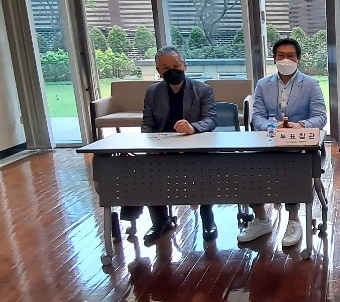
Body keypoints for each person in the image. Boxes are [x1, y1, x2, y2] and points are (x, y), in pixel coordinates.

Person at [125, 46, 218, 246]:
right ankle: (160, 221)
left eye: (176, 66)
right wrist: (148, 144)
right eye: (166, 68)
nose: (172, 71)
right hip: (163, 149)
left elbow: (210, 120)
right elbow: (148, 124)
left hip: (195, 148)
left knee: (204, 171)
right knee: (144, 171)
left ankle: (207, 218)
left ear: (184, 66)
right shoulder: (152, 92)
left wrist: (193, 127)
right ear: (158, 71)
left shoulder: (203, 89)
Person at [241, 38, 328, 247]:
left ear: (298, 59)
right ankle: (261, 219)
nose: (285, 60)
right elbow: (257, 116)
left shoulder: (311, 84)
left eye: (290, 56)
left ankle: (294, 220)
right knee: (248, 164)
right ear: (274, 58)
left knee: (292, 166)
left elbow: (320, 117)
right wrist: (270, 127)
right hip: (269, 141)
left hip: (298, 146)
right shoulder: (263, 84)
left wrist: (300, 125)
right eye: (281, 56)